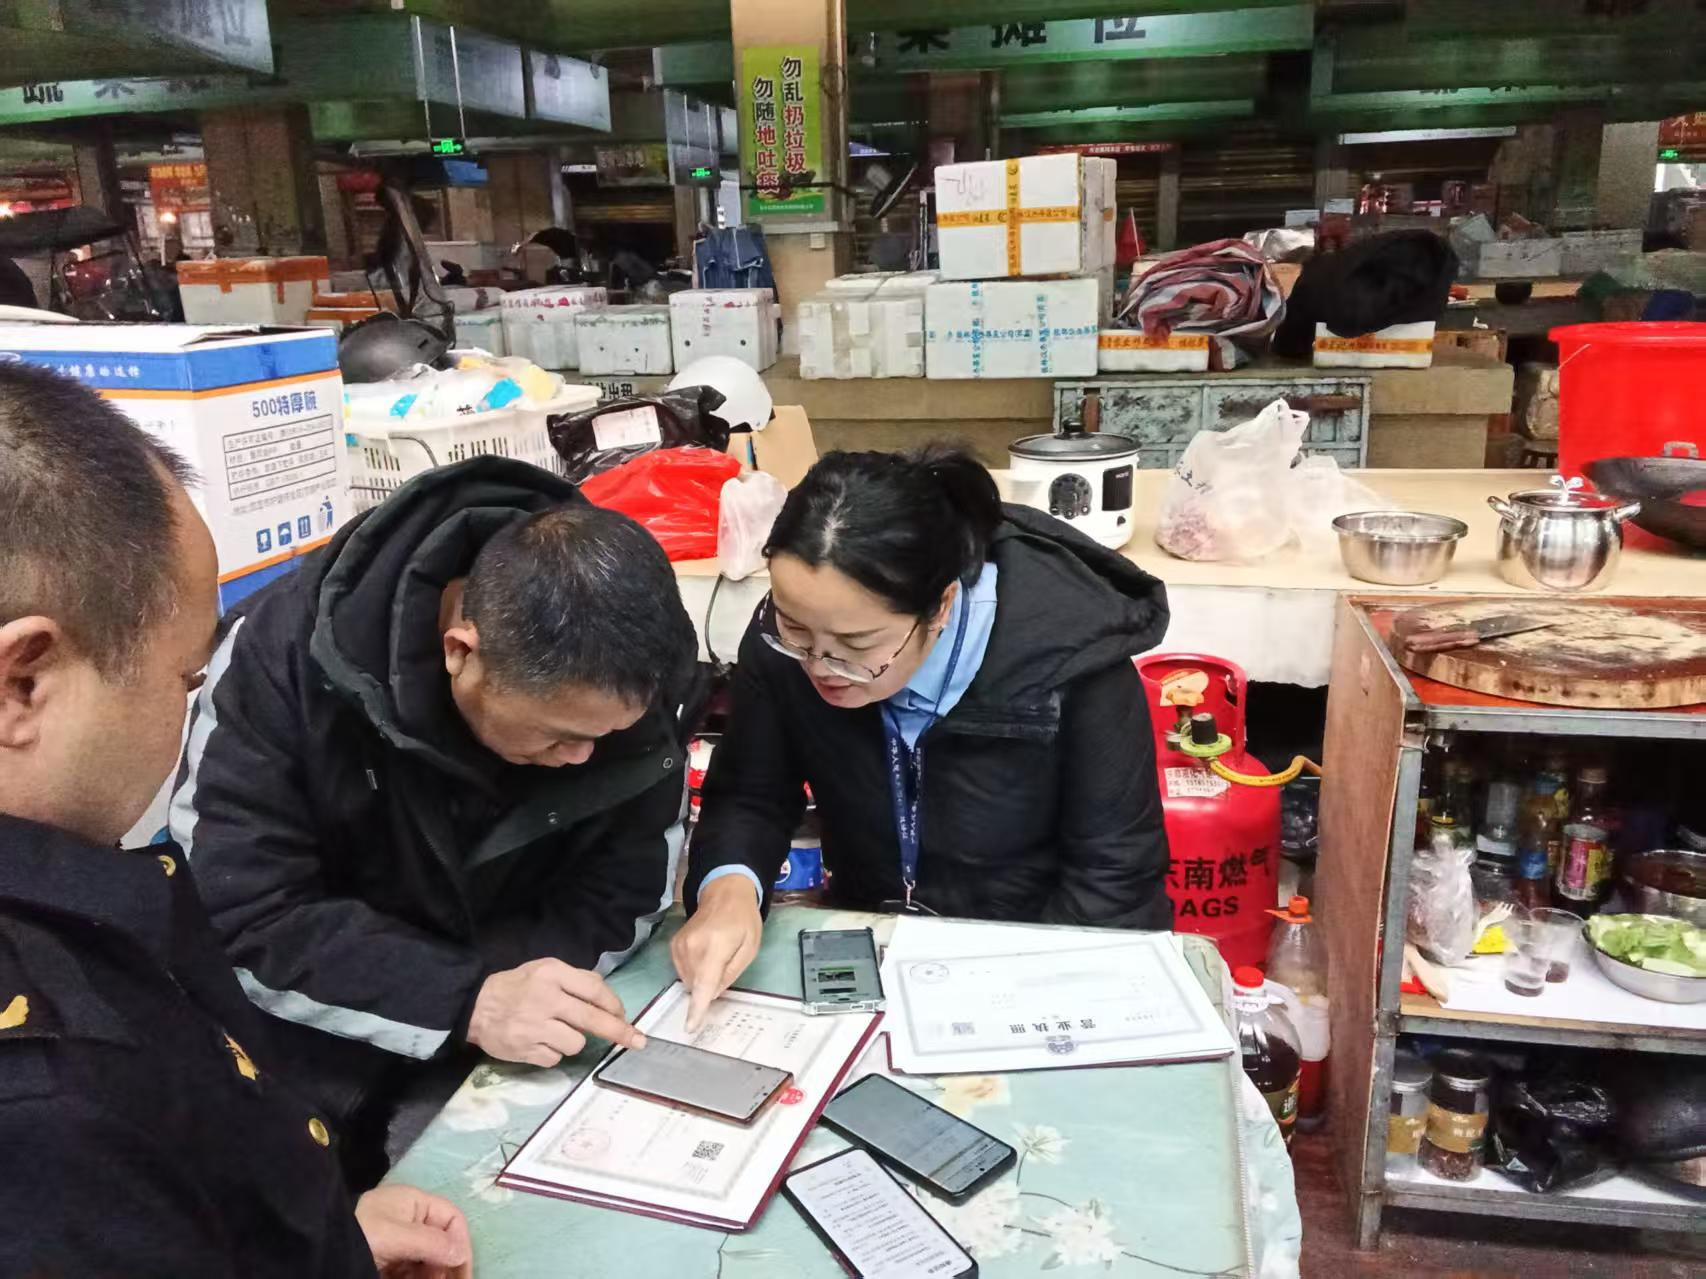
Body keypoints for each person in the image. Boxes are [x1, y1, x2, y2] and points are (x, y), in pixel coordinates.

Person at [0, 361, 471, 1276]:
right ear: (24, 682)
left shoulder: (81, 918)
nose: (191, 708)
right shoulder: (52, 1112)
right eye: (184, 678)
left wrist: (312, 1237)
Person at [168, 454, 699, 1180]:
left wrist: (515, 998)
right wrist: (464, 998)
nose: (584, 756)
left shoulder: (626, 664)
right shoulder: (280, 656)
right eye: (558, 735)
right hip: (312, 1046)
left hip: (514, 1041)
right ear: (460, 651)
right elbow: (240, 911)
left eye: (604, 737)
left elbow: (623, 891)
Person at [673, 447, 1173, 1028]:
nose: (820, 665)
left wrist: (1014, 1003)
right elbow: (750, 795)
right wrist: (729, 890)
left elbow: (1114, 875)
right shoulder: (784, 646)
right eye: (794, 628)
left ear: (941, 607)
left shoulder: (1074, 663)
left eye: (857, 646)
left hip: (1032, 955)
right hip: (875, 944)